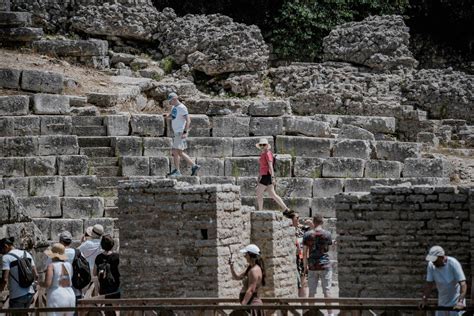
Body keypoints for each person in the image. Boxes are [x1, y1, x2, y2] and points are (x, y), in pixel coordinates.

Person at [420, 246, 467, 316]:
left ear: (442, 257)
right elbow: (429, 285)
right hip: (442, 303)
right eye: (432, 261)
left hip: (455, 304)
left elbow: (463, 284)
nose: (433, 262)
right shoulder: (431, 265)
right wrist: (424, 299)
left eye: (435, 260)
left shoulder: (453, 263)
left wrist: (460, 302)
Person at [303, 214, 334, 316]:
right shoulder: (327, 234)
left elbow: (304, 253)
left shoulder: (307, 235)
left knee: (311, 292)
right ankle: (330, 314)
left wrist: (305, 268)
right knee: (327, 291)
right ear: (322, 222)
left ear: (313, 222)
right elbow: (327, 249)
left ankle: (312, 313)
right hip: (325, 265)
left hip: (312, 266)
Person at [255, 138, 292, 218]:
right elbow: (261, 167)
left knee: (258, 192)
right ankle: (286, 209)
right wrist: (259, 176)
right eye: (261, 145)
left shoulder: (268, 153)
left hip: (267, 175)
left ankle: (260, 210)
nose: (262, 146)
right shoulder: (263, 153)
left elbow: (270, 166)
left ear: (267, 145)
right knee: (272, 194)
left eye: (264, 145)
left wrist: (273, 177)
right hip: (264, 175)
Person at [165, 92, 200, 177]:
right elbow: (173, 116)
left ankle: (177, 171)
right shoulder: (174, 107)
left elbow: (188, 120)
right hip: (177, 132)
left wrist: (185, 132)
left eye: (170, 101)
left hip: (180, 132)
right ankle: (194, 166)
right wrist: (167, 115)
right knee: (180, 152)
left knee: (174, 151)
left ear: (175, 99)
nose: (169, 103)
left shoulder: (182, 108)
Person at [0, 237, 38, 313]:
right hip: (30, 293)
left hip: (17, 295)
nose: (1, 252)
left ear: (6, 246)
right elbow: (36, 275)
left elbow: (5, 279)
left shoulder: (6, 258)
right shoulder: (26, 254)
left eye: (1, 249)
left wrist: (0, 290)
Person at [45, 231, 83, 301]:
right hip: (73, 291)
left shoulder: (52, 260)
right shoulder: (77, 253)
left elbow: (47, 281)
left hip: (56, 294)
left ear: (60, 241)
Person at [229, 244, 265, 315]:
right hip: (249, 305)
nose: (244, 256)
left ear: (250, 255)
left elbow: (251, 290)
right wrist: (231, 267)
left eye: (246, 254)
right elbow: (237, 277)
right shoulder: (250, 268)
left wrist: (242, 306)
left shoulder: (254, 270)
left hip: (252, 305)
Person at [42, 243, 76, 316]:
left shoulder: (51, 266)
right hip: (70, 294)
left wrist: (39, 283)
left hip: (56, 295)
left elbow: (47, 284)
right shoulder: (69, 265)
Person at [94, 235, 120, 299]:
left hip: (103, 287)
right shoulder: (117, 257)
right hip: (115, 288)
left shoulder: (98, 257)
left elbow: (94, 273)